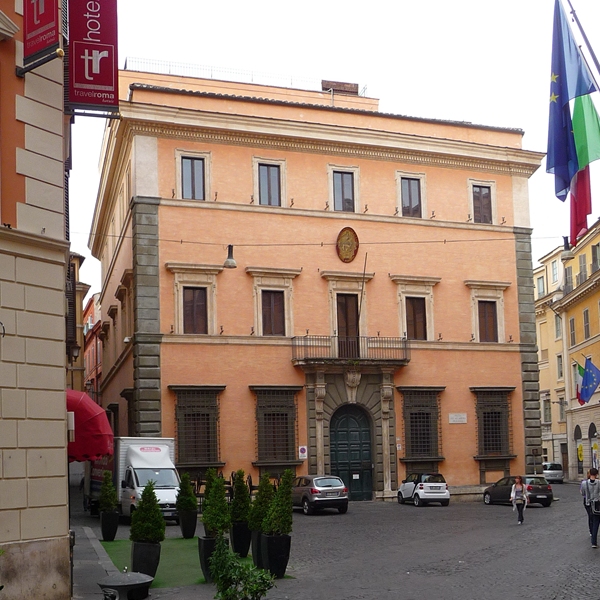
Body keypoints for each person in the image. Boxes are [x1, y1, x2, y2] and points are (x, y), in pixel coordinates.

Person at [582, 468, 600, 548]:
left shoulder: (584, 483)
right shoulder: (599, 483)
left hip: (588, 504)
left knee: (593, 520)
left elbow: (583, 493)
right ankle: (593, 541)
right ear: (596, 474)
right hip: (597, 504)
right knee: (596, 521)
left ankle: (593, 542)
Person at [581, 470, 592, 536]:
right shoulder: (598, 482)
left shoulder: (584, 483)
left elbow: (582, 492)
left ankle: (591, 531)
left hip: (586, 500)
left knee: (590, 516)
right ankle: (592, 530)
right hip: (593, 501)